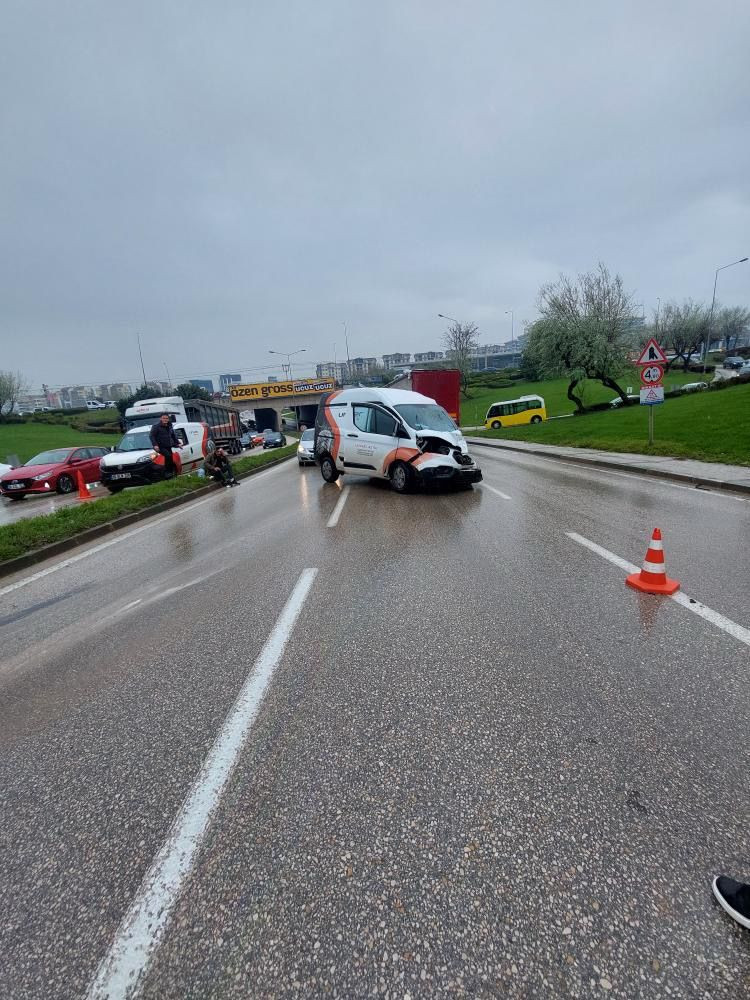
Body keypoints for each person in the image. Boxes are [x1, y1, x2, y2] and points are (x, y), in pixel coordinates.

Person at [149, 413, 181, 478]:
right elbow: (151, 436)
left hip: (168, 445)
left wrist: (178, 443)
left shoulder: (169, 426)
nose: (165, 420)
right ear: (160, 419)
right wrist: (155, 445)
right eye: (164, 418)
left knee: (171, 459)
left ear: (168, 419)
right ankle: (167, 472)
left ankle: (171, 473)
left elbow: (173, 436)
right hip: (159, 446)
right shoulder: (156, 426)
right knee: (168, 455)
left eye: (166, 418)